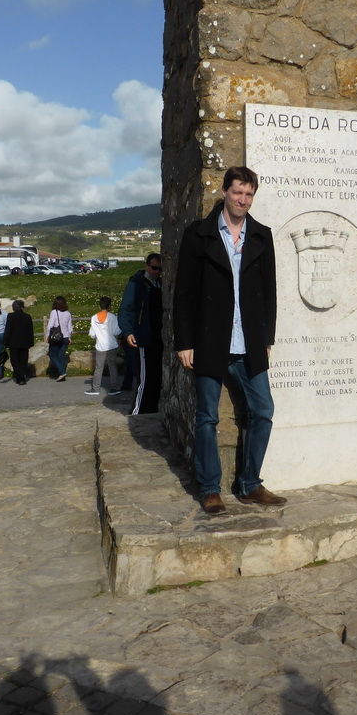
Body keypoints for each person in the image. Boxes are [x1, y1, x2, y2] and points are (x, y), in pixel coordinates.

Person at [173, 165, 286, 515]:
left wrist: (266, 337)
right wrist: (184, 342)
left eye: (249, 194)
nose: (243, 200)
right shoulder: (198, 235)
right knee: (206, 416)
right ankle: (210, 488)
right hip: (209, 340)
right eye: (238, 192)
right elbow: (185, 293)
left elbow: (269, 291)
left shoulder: (262, 235)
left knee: (263, 410)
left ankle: (249, 484)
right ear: (224, 192)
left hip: (248, 341)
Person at [118, 253, 163, 414]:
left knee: (156, 376)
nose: (157, 272)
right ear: (147, 266)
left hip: (158, 337)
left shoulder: (161, 284)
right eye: (154, 268)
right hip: (142, 337)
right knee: (145, 377)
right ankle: (139, 412)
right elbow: (126, 309)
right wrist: (128, 332)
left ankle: (151, 409)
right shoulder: (136, 285)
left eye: (160, 269)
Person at [86, 296, 122, 397]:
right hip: (111, 345)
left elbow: (92, 334)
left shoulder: (94, 318)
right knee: (112, 367)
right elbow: (117, 331)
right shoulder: (113, 317)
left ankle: (95, 388)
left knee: (98, 368)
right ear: (109, 306)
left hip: (100, 346)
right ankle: (115, 387)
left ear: (100, 306)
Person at [2, 299, 34, 385]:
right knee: (24, 360)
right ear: (22, 307)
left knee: (14, 361)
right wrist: (31, 342)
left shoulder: (11, 316)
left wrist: (5, 341)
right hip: (25, 342)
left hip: (13, 342)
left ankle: (20, 377)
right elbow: (30, 330)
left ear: (13, 308)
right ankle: (22, 374)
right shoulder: (27, 316)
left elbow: (8, 329)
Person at [45, 296, 73, 381]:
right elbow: (70, 327)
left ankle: (61, 372)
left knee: (53, 355)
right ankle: (62, 374)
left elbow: (50, 325)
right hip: (65, 337)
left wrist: (47, 335)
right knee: (61, 356)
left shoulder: (54, 312)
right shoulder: (68, 313)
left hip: (56, 337)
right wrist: (69, 337)